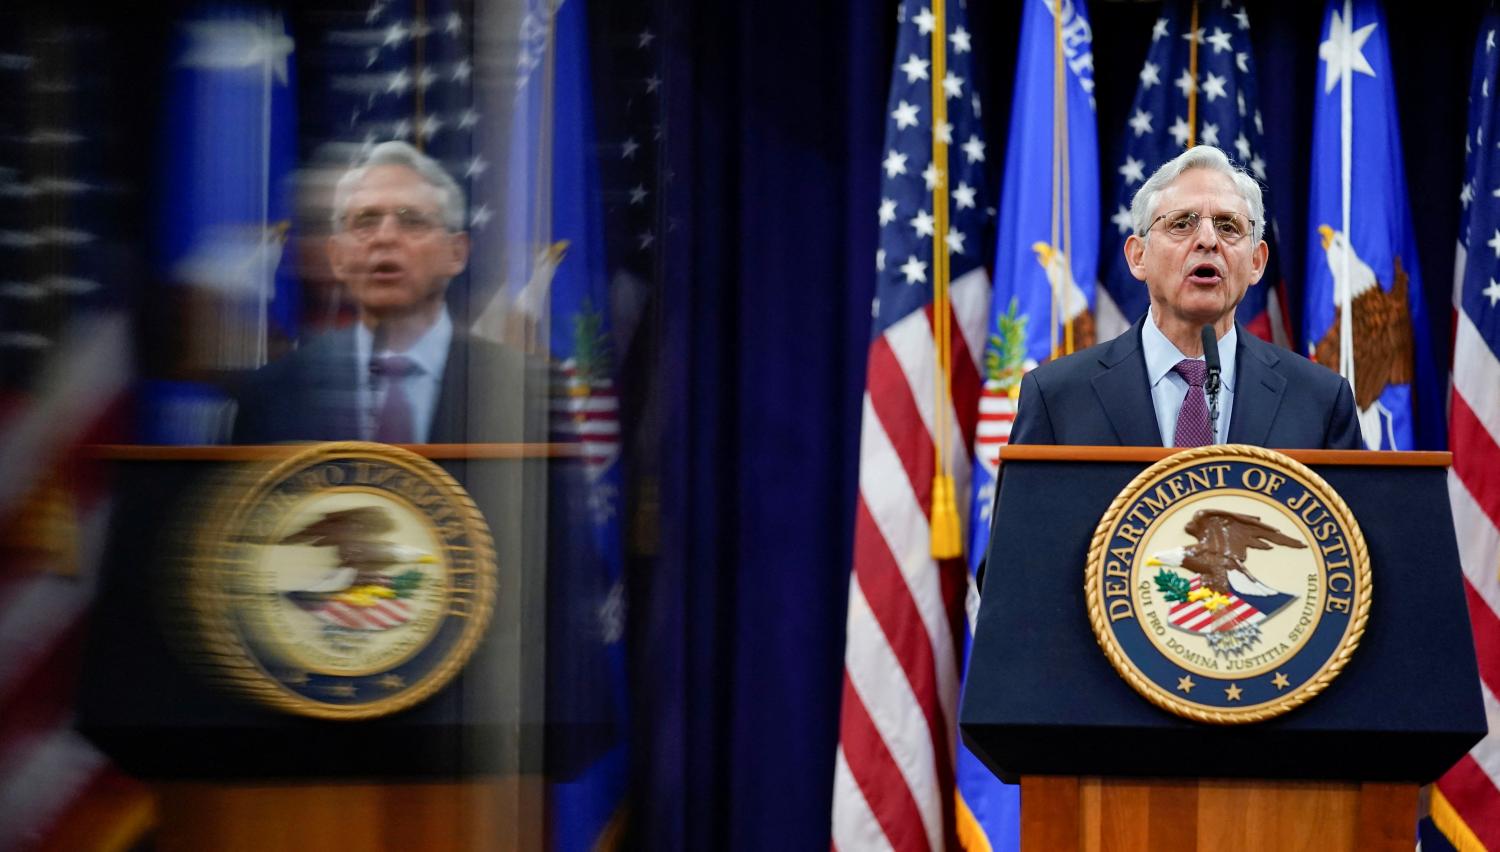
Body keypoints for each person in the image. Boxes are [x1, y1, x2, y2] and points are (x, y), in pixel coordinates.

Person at [1009, 145, 1362, 450]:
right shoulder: (1057, 398)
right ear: (1138, 256)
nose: (1208, 240)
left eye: (1228, 226)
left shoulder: (1320, 402)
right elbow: (1029, 529)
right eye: (1181, 223)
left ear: (1256, 262)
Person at [233, 141, 536, 445]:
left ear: (456, 253)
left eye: (412, 220)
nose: (385, 237)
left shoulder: (527, 388)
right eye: (365, 221)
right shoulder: (273, 393)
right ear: (337, 256)